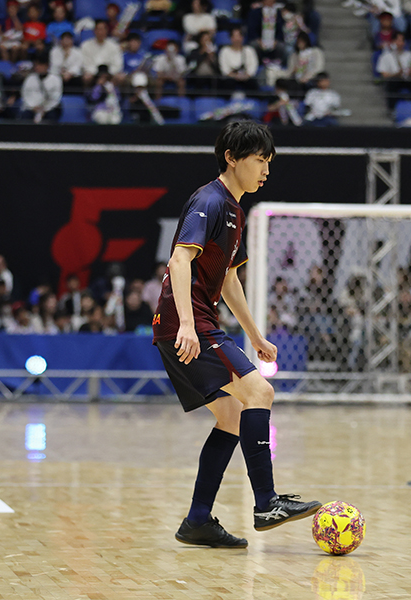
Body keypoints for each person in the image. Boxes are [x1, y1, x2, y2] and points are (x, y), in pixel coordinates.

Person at [152, 122, 321, 548]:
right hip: (186, 323)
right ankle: (267, 503)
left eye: (269, 161)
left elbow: (228, 280)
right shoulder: (209, 200)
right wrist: (187, 324)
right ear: (231, 157)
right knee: (260, 392)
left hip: (194, 321)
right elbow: (178, 261)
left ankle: (197, 521)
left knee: (230, 418)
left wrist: (255, 336)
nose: (266, 170)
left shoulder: (235, 210)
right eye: (260, 160)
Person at [20, 54, 63, 123]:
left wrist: (45, 109)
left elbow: (56, 97)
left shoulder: (56, 79)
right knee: (25, 117)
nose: (37, 67)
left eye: (40, 65)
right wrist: (33, 107)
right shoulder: (30, 78)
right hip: (32, 108)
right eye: (36, 65)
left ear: (47, 66)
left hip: (49, 108)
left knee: (51, 117)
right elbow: (25, 94)